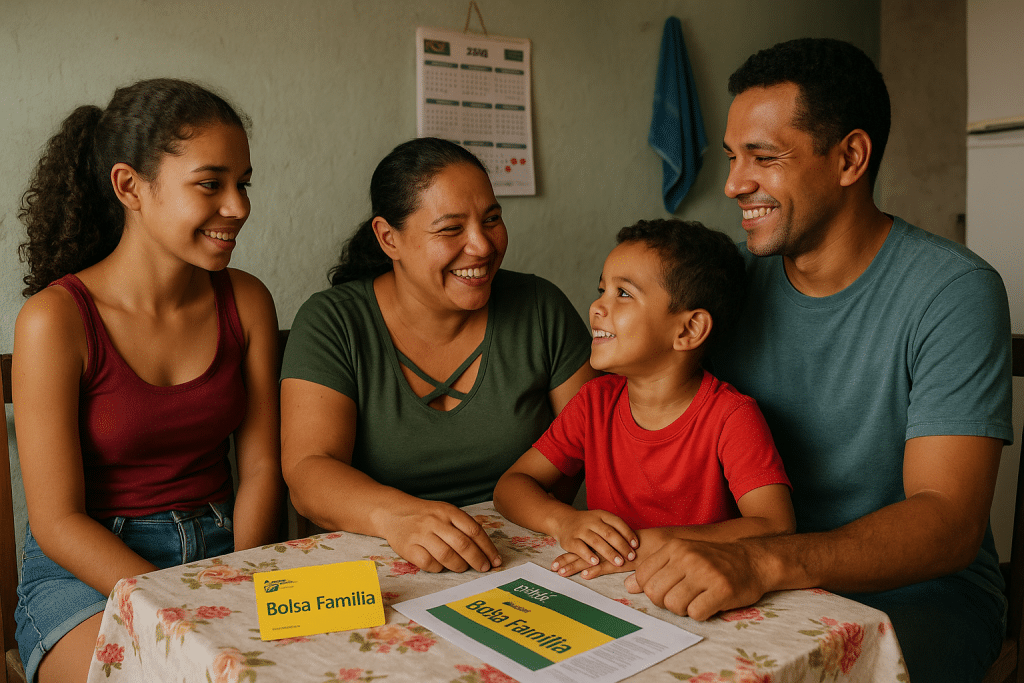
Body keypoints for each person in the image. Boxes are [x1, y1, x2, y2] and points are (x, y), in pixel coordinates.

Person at [624, 38, 1013, 683]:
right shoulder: (734, 286)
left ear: (850, 158)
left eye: (764, 158)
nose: (733, 184)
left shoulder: (954, 290)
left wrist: (767, 563)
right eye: (731, 157)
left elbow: (947, 520)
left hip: (919, 602)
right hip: (762, 578)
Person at [12, 78, 284, 683]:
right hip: (89, 576)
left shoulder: (246, 300)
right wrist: (172, 608)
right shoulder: (55, 321)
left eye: (243, 184)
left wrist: (238, 582)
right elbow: (57, 522)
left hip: (225, 551)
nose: (237, 206)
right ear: (129, 186)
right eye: (211, 184)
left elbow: (262, 470)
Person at [280, 137, 597, 575]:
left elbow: (599, 442)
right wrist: (398, 517)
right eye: (451, 229)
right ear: (388, 238)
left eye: (492, 219)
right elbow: (308, 470)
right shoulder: (334, 321)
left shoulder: (541, 308)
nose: (482, 246)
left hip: (528, 559)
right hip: (385, 567)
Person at [494, 219, 794, 579]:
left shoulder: (731, 417)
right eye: (601, 289)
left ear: (688, 329)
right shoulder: (594, 403)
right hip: (606, 589)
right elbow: (511, 486)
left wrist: (646, 545)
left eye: (623, 294)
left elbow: (775, 525)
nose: (596, 307)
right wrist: (564, 521)